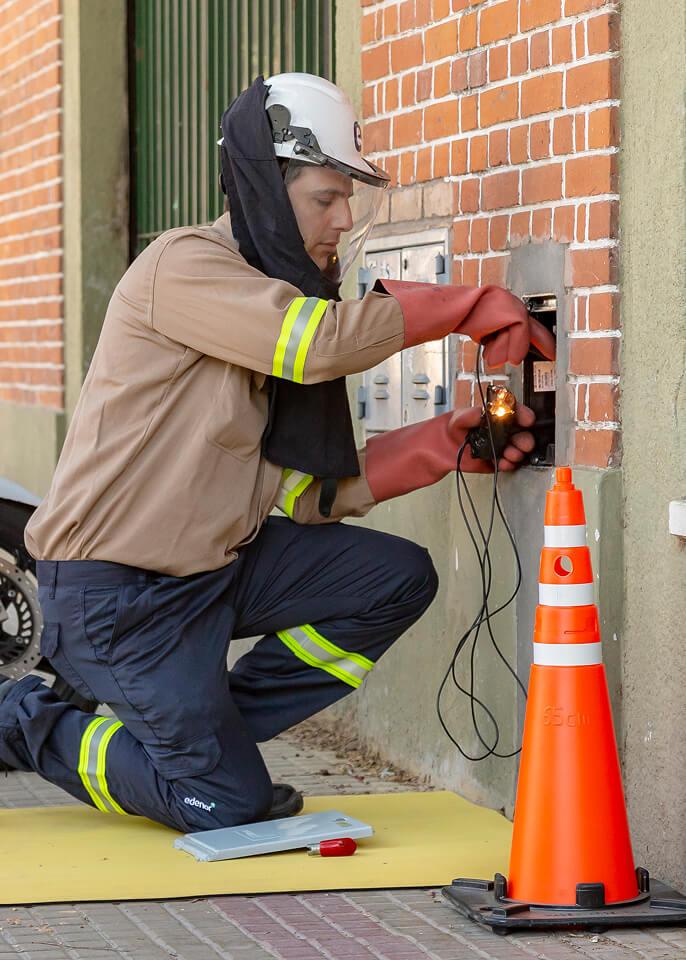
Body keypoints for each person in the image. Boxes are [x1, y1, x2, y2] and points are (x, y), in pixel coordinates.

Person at [0, 73, 555, 833]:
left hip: (211, 577)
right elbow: (319, 345)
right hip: (118, 598)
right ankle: (24, 718)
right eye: (326, 198)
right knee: (221, 804)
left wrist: (438, 447)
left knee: (395, 579)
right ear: (265, 187)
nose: (343, 219)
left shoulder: (267, 307)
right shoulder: (185, 267)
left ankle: (207, 737)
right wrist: (467, 305)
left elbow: (309, 498)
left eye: (348, 199)